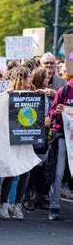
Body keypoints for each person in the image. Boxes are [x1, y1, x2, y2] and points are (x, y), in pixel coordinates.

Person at [0, 67, 35, 220]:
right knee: (12, 172)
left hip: (27, 138)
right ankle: (4, 203)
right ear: (22, 78)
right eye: (29, 77)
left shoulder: (33, 95)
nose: (31, 80)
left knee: (25, 173)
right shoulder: (6, 97)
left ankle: (17, 204)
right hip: (11, 139)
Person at [47, 72, 73, 220]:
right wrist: (56, 112)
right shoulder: (64, 90)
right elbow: (51, 111)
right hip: (63, 136)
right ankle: (54, 206)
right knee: (58, 173)